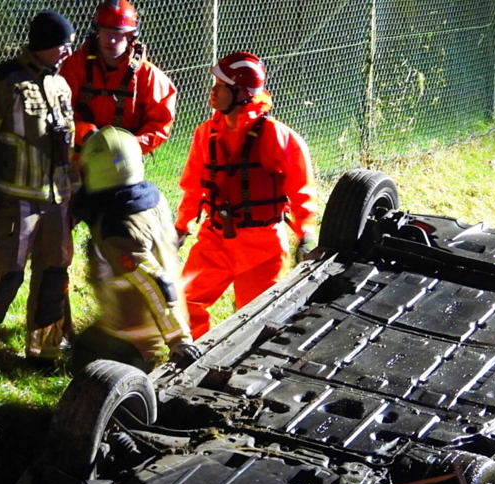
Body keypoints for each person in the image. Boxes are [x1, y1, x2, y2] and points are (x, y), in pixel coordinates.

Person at [0, 10, 78, 366]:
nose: (67, 53)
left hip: (55, 199)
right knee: (5, 272)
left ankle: (45, 352)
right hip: (16, 198)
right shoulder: (5, 79)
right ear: (42, 44)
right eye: (62, 46)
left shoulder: (61, 84)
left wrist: (71, 192)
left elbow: (67, 145)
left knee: (55, 273)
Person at [176, 52, 319, 339]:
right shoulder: (206, 134)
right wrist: (180, 227)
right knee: (184, 301)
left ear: (241, 92)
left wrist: (306, 234)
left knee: (256, 319)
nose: (212, 92)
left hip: (262, 245)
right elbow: (194, 186)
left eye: (220, 86)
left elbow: (301, 190)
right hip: (215, 237)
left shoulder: (279, 137)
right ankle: (188, 361)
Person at [71, 126, 200, 372]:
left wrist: (177, 339)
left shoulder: (116, 227)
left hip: (130, 333)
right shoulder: (150, 197)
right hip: (159, 316)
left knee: (86, 360)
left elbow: (154, 282)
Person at [59, 0, 176, 160]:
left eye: (118, 33)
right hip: (79, 157)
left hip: (124, 161)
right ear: (97, 32)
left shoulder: (148, 75)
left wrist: (128, 147)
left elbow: (160, 124)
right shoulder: (75, 65)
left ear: (130, 35)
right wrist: (86, 134)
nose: (111, 39)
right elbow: (59, 113)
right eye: (106, 31)